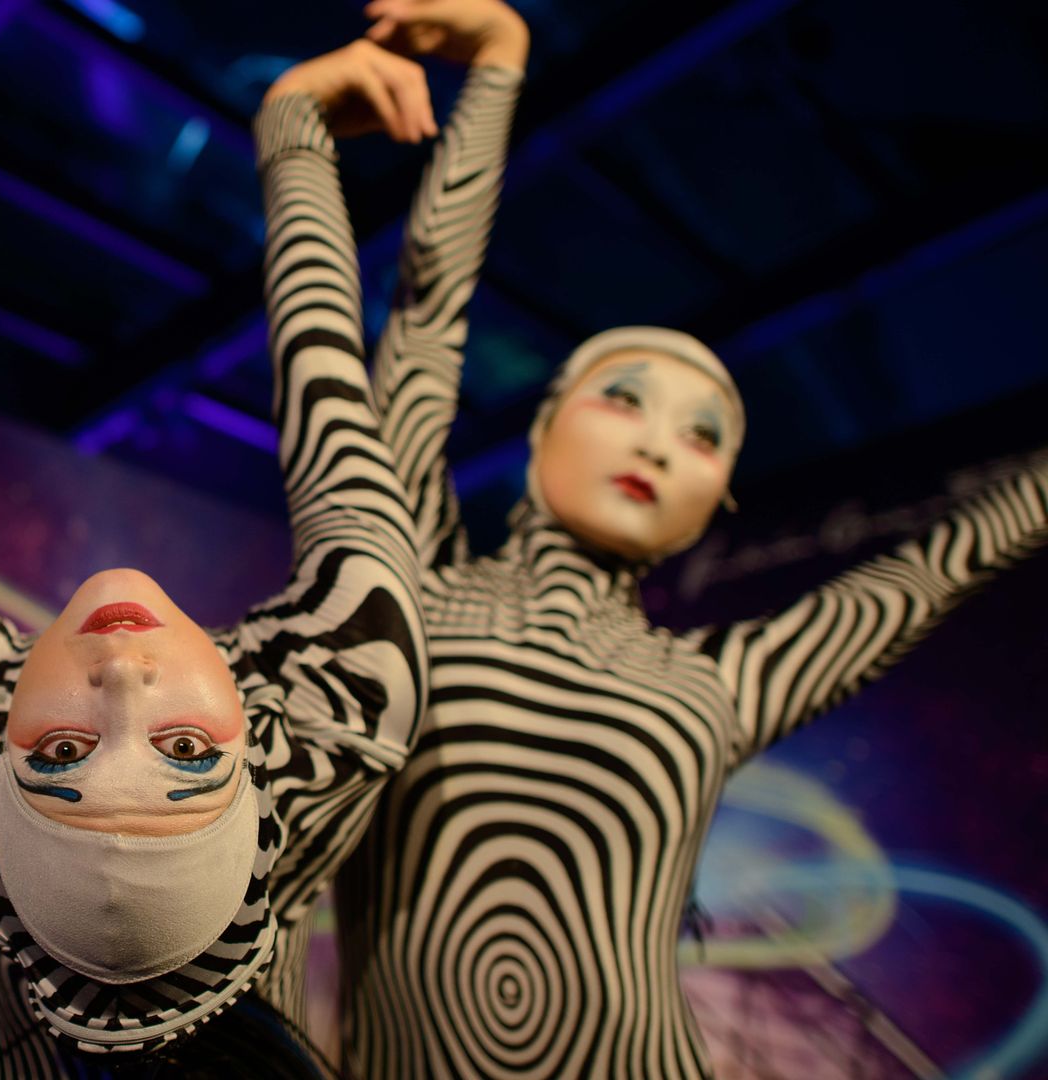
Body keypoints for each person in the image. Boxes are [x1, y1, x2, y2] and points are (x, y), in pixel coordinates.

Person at [329, 1, 1048, 1075]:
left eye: (704, 436)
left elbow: (945, 559)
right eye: (625, 398)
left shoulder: (725, 682)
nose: (661, 445)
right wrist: (499, 70)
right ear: (540, 430)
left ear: (716, 505)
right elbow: (427, 313)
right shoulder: (414, 594)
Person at [0, 43, 441, 1070]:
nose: (122, 677)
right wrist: (291, 136)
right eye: (190, 755)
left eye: (66, 755)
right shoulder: (344, 713)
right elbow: (336, 406)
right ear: (256, 783)